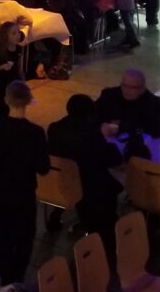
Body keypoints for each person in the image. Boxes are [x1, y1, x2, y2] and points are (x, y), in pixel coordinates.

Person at [0, 81, 51, 285]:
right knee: (24, 236)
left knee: (4, 235)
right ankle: (17, 277)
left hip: (0, 189)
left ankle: (5, 279)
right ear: (28, 101)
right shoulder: (35, 133)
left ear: (6, 100)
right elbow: (43, 168)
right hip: (24, 191)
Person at [46, 95, 123, 246]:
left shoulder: (54, 128)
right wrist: (109, 141)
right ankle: (107, 231)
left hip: (59, 182)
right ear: (90, 114)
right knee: (108, 186)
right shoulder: (91, 136)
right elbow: (114, 159)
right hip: (85, 187)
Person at [95, 69, 160, 136]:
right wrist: (102, 125)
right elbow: (92, 115)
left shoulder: (151, 102)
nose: (127, 90)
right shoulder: (109, 94)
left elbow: (151, 130)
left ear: (143, 88)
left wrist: (120, 126)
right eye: (125, 85)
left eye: (133, 87)